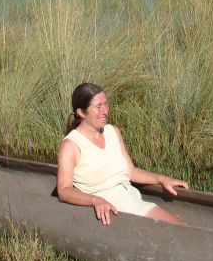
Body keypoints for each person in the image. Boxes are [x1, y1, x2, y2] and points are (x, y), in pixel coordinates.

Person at [57, 83, 188, 225]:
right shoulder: (71, 145)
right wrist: (95, 200)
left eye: (106, 104)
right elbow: (64, 191)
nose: (105, 111)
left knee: (182, 228)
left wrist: (162, 179)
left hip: (131, 201)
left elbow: (130, 172)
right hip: (107, 210)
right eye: (98, 106)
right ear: (81, 113)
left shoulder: (113, 131)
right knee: (180, 232)